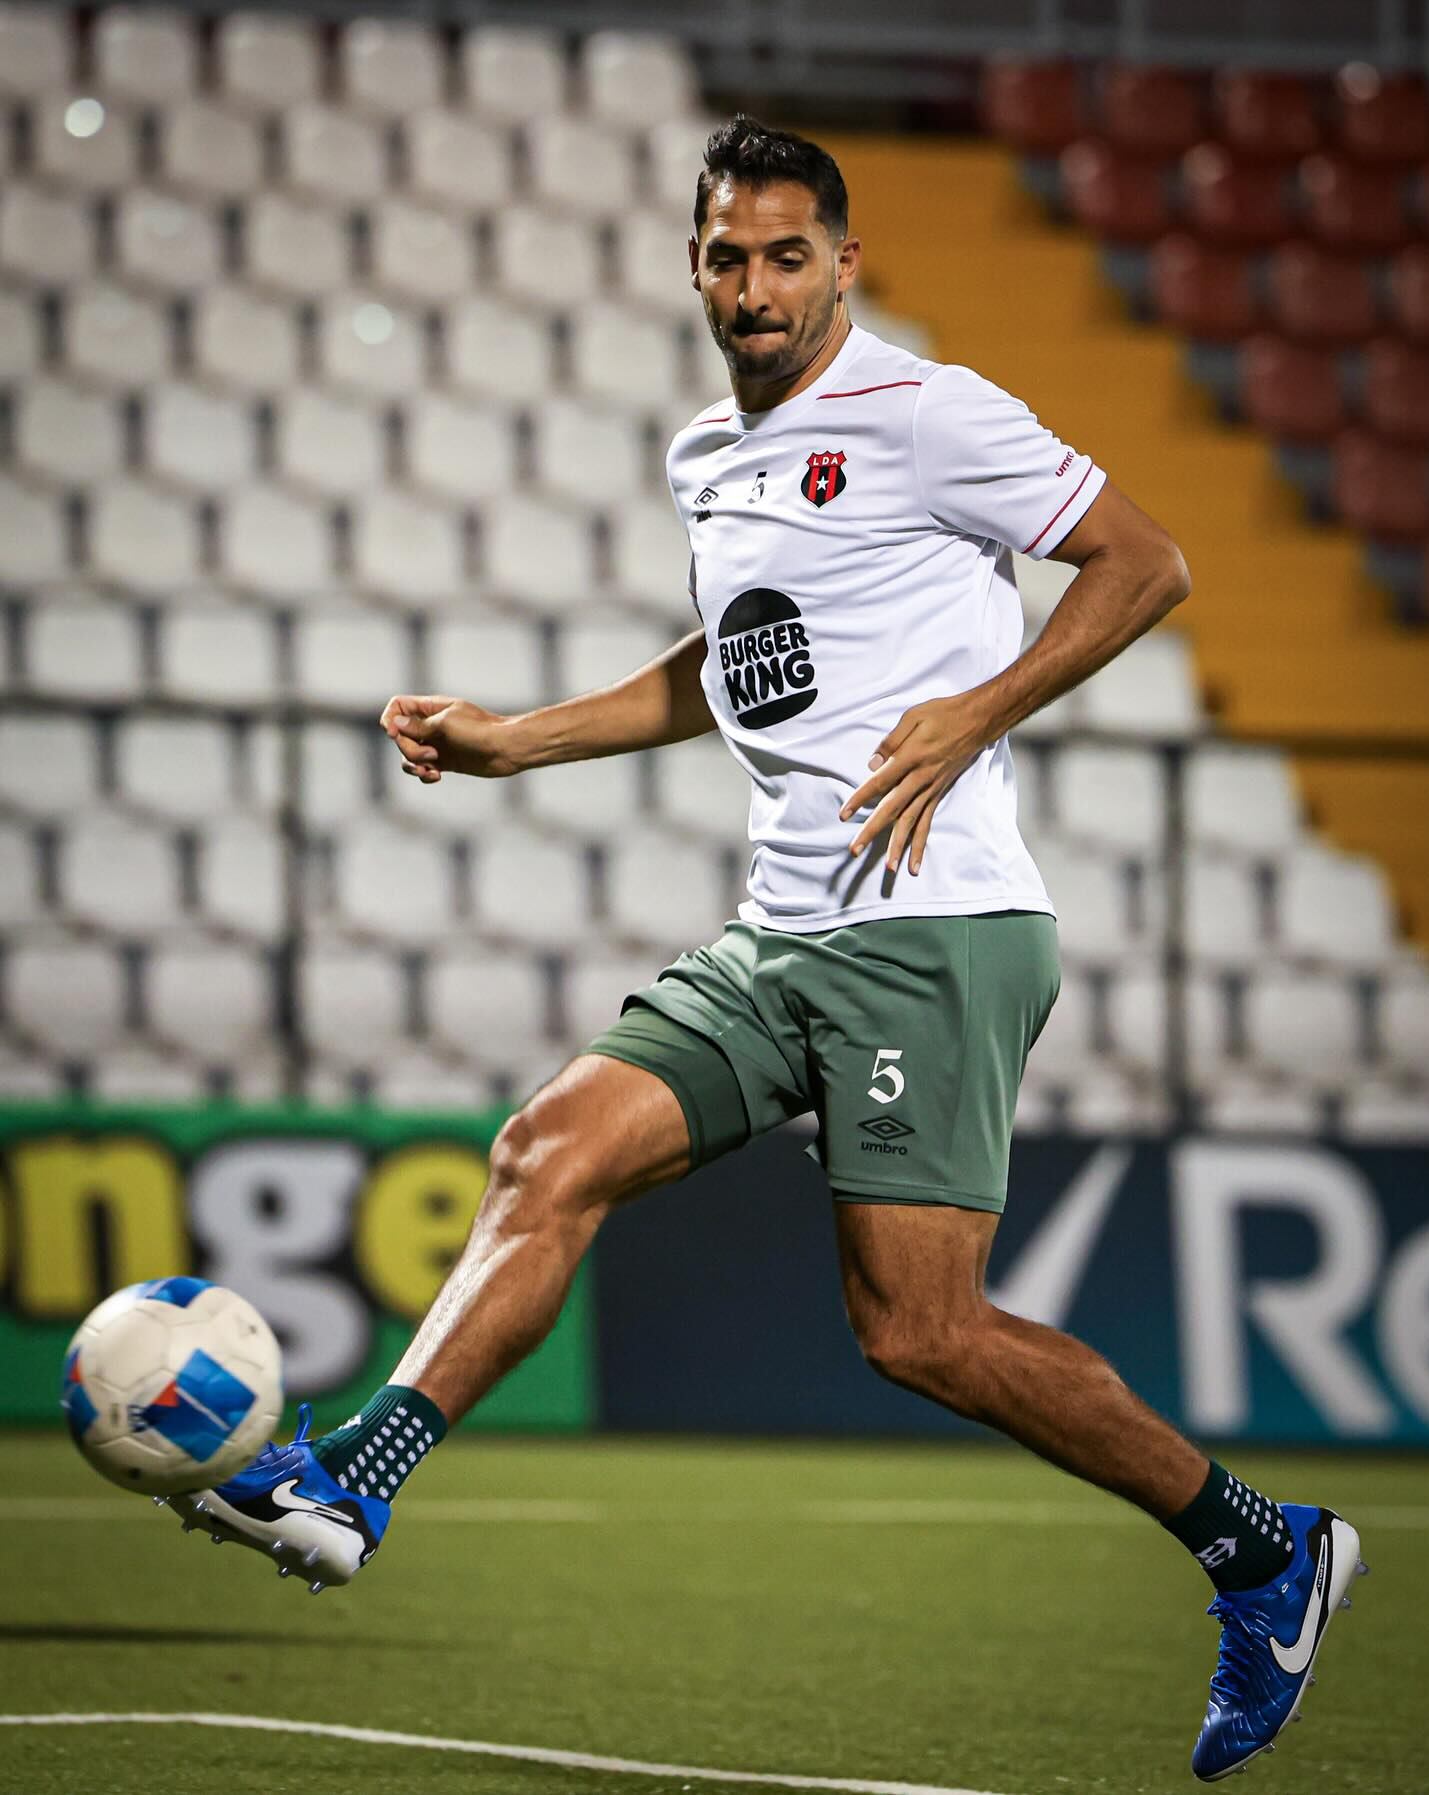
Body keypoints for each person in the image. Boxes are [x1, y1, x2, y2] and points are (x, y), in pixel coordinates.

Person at [163, 116, 1363, 1783]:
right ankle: (354, 1474)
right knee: (545, 1149)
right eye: (728, 256)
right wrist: (524, 740)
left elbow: (1144, 565)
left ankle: (1261, 1550)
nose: (755, 286)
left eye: (787, 255)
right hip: (783, 928)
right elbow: (730, 662)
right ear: (695, 266)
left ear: (843, 265)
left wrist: (974, 715)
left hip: (931, 931)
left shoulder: (930, 414)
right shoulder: (708, 458)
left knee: (921, 1336)